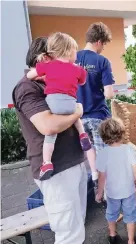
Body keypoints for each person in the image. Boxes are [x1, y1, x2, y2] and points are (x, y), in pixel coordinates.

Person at [13, 37, 87, 243]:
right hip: (57, 171)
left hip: (71, 163)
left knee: (76, 225)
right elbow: (48, 126)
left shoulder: (50, 83)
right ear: (45, 58)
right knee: (68, 234)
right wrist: (77, 111)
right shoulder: (27, 88)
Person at [25, 32, 93, 181]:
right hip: (70, 103)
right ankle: (83, 134)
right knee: (75, 110)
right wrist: (77, 112)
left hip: (54, 105)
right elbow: (81, 81)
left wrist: (40, 75)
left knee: (51, 137)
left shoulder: (48, 67)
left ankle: (47, 162)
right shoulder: (76, 69)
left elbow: (30, 75)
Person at [76, 22, 115, 185]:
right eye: (104, 44)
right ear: (98, 41)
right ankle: (107, 192)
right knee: (104, 154)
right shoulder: (102, 61)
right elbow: (109, 93)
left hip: (78, 118)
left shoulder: (73, 58)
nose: (103, 48)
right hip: (98, 116)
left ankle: (94, 176)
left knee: (89, 149)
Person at [95, 118, 136, 244]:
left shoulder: (103, 154)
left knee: (111, 213)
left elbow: (102, 177)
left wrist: (99, 192)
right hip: (128, 191)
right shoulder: (128, 150)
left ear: (104, 137)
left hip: (112, 193)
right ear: (121, 133)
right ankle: (131, 241)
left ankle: (112, 235)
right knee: (130, 216)